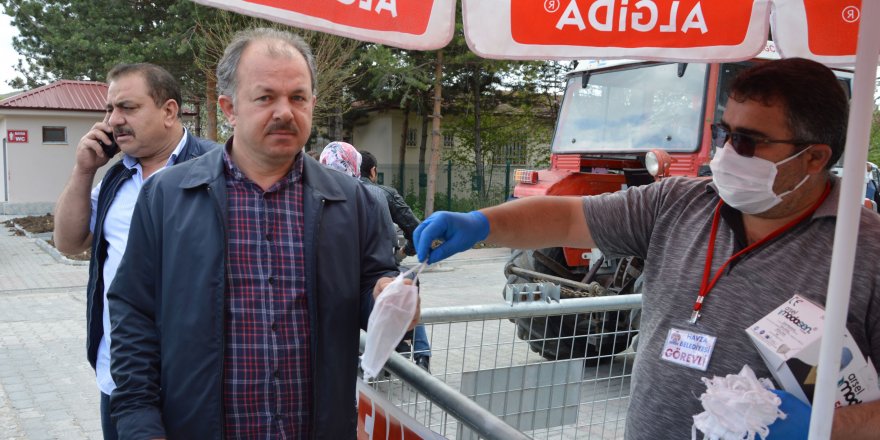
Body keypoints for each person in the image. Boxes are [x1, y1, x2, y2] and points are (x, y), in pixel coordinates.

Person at [413, 58, 880, 439]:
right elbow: (570, 216)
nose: (727, 153)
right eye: (723, 133)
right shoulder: (678, 202)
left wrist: (826, 429)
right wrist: (481, 223)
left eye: (746, 141)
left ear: (815, 157)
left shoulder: (867, 252)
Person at [106, 28, 410, 438]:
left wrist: (393, 303)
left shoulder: (355, 202)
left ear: (313, 105)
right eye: (266, 97)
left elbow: (372, 294)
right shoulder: (166, 197)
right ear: (229, 107)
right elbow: (133, 315)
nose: (285, 111)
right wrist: (140, 424)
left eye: (298, 97)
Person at [52, 62, 218, 440]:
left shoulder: (215, 170)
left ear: (169, 111)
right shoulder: (117, 176)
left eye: (127, 107)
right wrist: (83, 171)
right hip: (123, 379)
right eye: (110, 110)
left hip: (198, 383)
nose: (114, 120)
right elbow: (68, 242)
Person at [359, 150, 432, 372]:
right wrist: (403, 252)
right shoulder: (385, 193)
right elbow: (416, 230)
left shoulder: (334, 194)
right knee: (405, 289)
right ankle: (421, 355)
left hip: (350, 274)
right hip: (383, 268)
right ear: (373, 171)